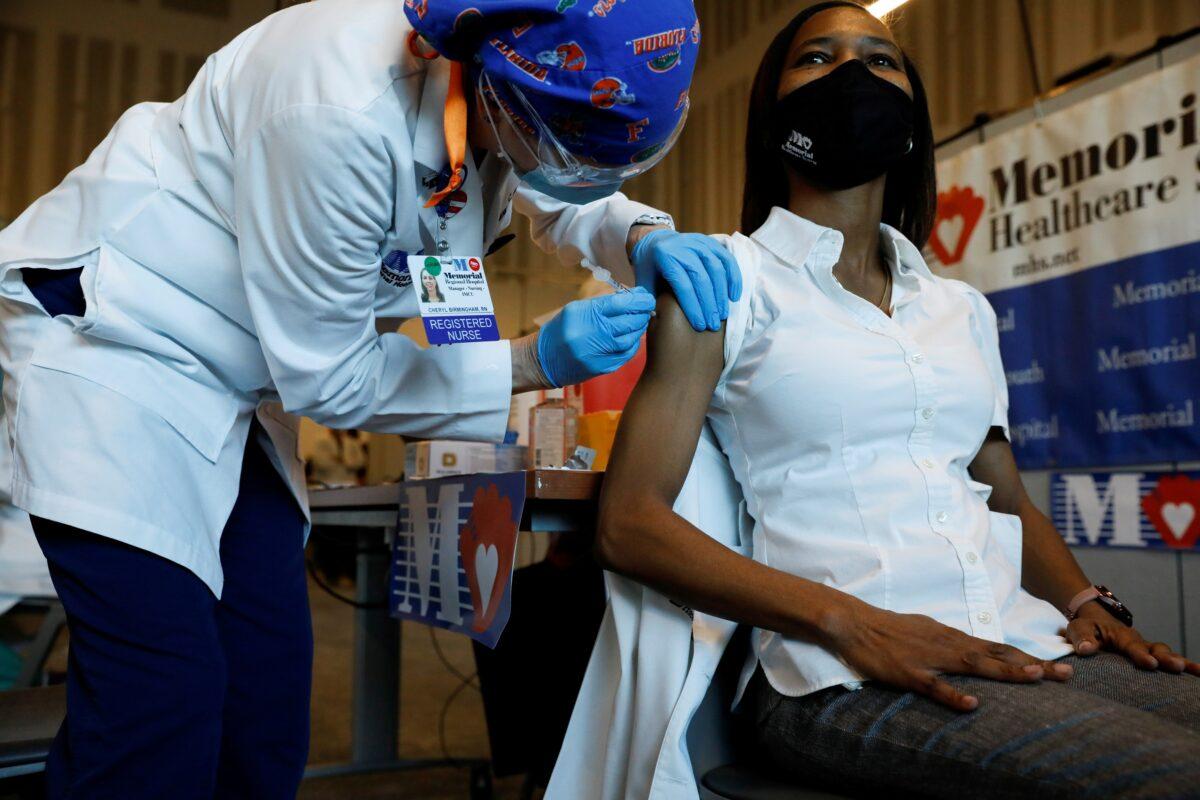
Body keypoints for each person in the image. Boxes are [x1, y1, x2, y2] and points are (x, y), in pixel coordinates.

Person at [0, 0, 742, 796]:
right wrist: (535, 360)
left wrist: (636, 234)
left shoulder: (496, 100)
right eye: (571, 147)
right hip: (124, 349)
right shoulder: (335, 109)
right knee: (159, 701)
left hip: (243, 384)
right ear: (494, 78)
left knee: (263, 699)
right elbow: (335, 379)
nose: (583, 172)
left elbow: (555, 178)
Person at [594, 3, 1200, 797]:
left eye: (880, 60)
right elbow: (629, 523)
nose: (853, 74)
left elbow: (1004, 494)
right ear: (772, 111)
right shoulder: (725, 282)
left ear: (911, 113)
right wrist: (854, 622)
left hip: (1025, 640)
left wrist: (1088, 601)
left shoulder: (960, 310)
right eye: (817, 58)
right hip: (840, 677)